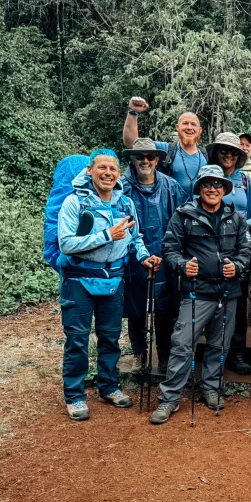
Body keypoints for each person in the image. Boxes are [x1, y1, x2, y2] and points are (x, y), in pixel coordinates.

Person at [57, 149, 161, 421]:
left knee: (110, 337)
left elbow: (135, 237)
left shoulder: (125, 203)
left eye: (113, 169)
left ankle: (108, 386)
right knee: (78, 340)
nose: (108, 173)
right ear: (90, 171)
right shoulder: (74, 202)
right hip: (78, 281)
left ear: (118, 174)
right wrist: (106, 235)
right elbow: (66, 244)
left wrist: (144, 256)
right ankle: (75, 396)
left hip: (113, 280)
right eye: (102, 168)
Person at [150, 166, 251, 423]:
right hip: (197, 293)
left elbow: (246, 251)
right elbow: (169, 248)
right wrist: (183, 265)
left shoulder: (236, 218)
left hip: (228, 293)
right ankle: (169, 398)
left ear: (225, 189)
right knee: (183, 344)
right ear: (199, 188)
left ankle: (211, 388)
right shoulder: (184, 215)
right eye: (207, 184)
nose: (212, 189)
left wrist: (237, 266)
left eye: (218, 184)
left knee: (219, 345)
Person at [122, 138, 188, 377]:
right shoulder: (122, 188)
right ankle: (139, 353)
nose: (145, 161)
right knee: (136, 308)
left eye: (150, 157)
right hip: (133, 257)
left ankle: (164, 356)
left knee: (165, 309)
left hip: (165, 256)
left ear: (158, 160)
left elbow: (184, 217)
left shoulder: (171, 187)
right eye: (140, 156)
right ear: (133, 158)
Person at [206, 132, 251, 375]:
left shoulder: (247, 181)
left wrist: (233, 223)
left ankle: (236, 352)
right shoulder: (207, 177)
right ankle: (213, 351)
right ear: (216, 153)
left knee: (237, 301)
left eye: (233, 152)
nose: (228, 155)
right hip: (209, 244)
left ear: (240, 156)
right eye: (223, 151)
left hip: (238, 245)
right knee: (210, 296)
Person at [123, 96, 207, 196]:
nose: (189, 128)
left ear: (200, 130)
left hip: (201, 210)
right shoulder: (166, 149)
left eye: (193, 124)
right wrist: (133, 112)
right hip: (172, 209)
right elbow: (132, 143)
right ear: (177, 127)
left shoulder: (207, 155)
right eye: (185, 123)